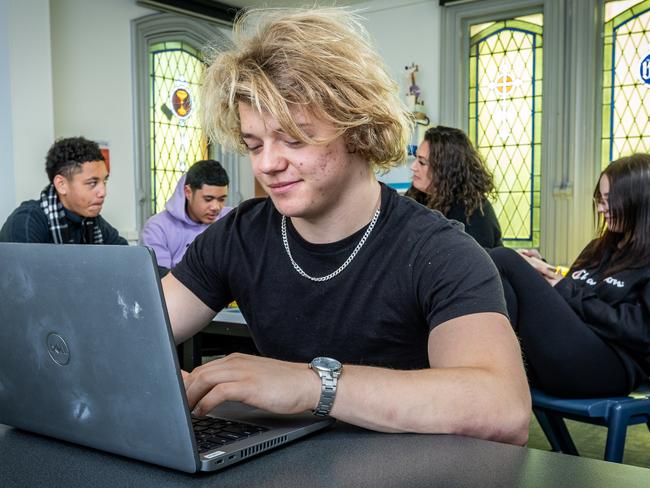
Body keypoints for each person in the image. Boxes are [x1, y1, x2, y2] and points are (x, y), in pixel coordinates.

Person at [162, 8, 530, 444]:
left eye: (295, 138)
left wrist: (312, 385)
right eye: (254, 144)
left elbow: (503, 408)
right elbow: (135, 329)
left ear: (359, 130)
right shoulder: (238, 236)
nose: (267, 164)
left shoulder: (440, 252)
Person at [489, 153, 650, 398]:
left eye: (608, 200)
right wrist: (544, 270)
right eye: (599, 199)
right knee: (508, 282)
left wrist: (563, 287)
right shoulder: (599, 248)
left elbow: (640, 332)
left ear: (637, 202)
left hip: (608, 366)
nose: (600, 208)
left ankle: (486, 379)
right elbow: (571, 295)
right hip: (570, 350)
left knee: (504, 259)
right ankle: (491, 385)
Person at [0, 136, 127, 245]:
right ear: (61, 185)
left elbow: (128, 259)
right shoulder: (26, 221)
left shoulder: (93, 222)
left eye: (104, 181)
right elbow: (25, 273)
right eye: (92, 183)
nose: (103, 192)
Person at [405, 126, 502, 248]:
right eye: (416, 158)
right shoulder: (416, 197)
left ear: (445, 169)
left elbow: (473, 264)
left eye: (422, 162)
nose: (413, 167)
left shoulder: (473, 212)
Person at [140, 159, 233, 276]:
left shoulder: (230, 220)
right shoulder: (158, 228)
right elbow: (160, 280)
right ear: (188, 192)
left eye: (222, 199)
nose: (216, 207)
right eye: (208, 199)